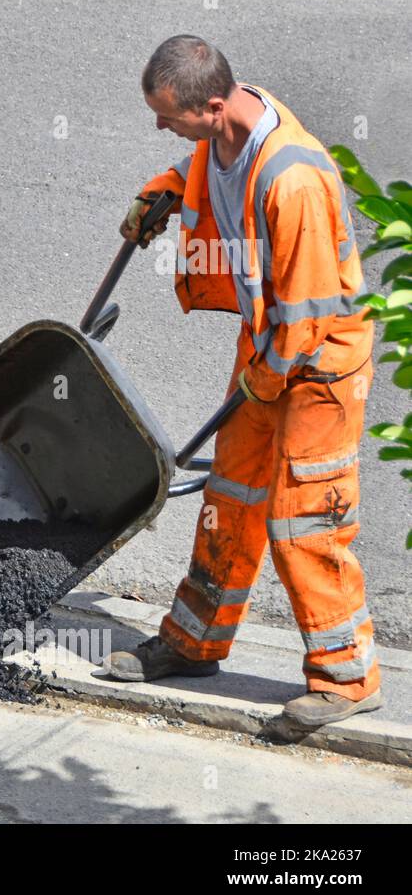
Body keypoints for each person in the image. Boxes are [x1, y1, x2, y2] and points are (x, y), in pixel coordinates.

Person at [100, 35, 381, 728]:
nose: (161, 126)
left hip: (318, 362)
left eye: (169, 116)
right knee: (230, 494)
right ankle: (195, 641)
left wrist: (269, 377)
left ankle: (347, 678)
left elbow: (311, 306)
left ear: (214, 104)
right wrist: (163, 193)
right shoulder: (225, 132)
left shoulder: (293, 179)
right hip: (268, 345)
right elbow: (201, 164)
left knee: (304, 516)